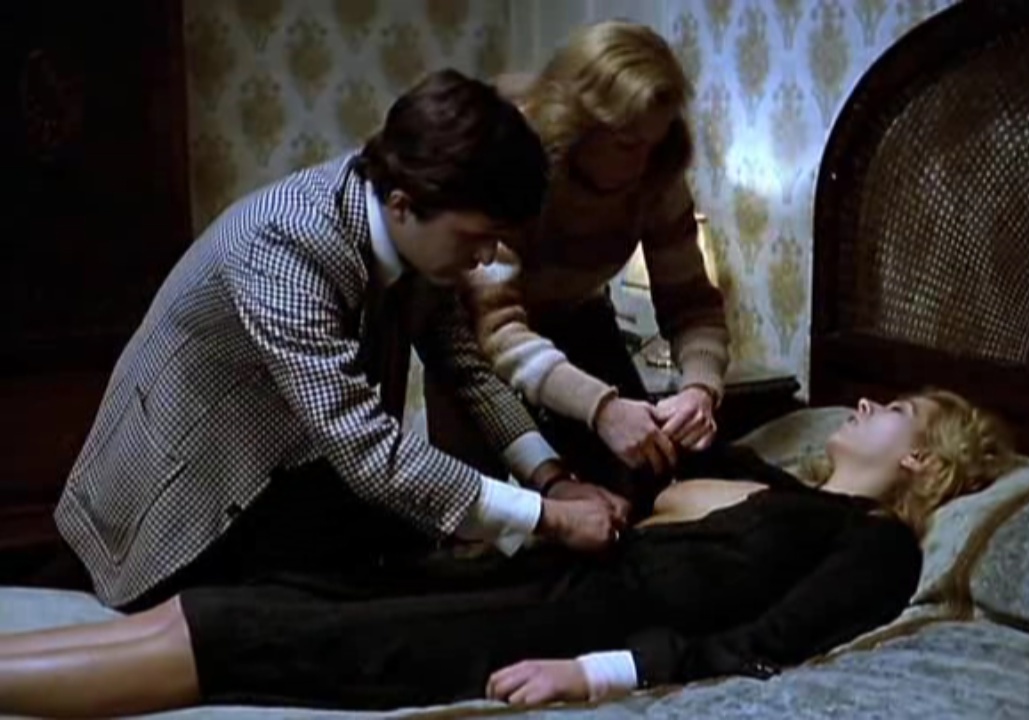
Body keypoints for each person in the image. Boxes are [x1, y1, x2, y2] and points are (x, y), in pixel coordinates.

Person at [0, 389, 1017, 717]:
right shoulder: (781, 486)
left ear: (921, 459)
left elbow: (764, 645)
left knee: (253, 631)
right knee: (267, 592)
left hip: (563, 621)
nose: (866, 403)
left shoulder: (877, 547)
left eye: (895, 408)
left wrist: (593, 673)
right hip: (537, 574)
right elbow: (675, 490)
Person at [52, 69, 628, 615]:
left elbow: (468, 370)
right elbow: (367, 447)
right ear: (402, 206)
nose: (484, 258)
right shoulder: (284, 241)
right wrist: (547, 518)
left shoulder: (419, 236)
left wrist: (553, 481)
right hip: (181, 501)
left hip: (294, 468)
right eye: (477, 237)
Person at [463, 21, 730, 501]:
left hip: (579, 314)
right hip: (471, 334)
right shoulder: (511, 155)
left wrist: (699, 389)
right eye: (628, 144)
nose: (643, 162)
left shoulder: (657, 174)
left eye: (655, 143)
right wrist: (600, 408)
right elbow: (497, 329)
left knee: (641, 479)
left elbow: (693, 305)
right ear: (582, 123)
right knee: (483, 504)